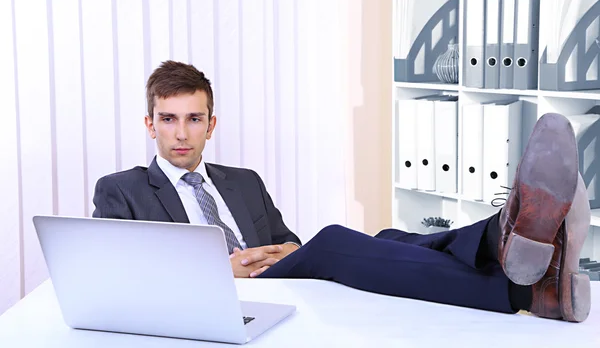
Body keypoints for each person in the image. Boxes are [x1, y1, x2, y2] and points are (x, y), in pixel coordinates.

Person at [260, 112, 592, 323]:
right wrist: (223, 268)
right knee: (330, 243)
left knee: (387, 237)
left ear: (213, 124)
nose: (203, 127)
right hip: (237, 291)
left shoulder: (242, 181)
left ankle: (510, 252)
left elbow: (283, 238)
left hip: (272, 270)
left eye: (204, 118)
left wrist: (290, 247)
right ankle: (518, 272)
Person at [92, 60, 301, 278]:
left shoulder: (247, 182)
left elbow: (288, 243)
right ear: (151, 126)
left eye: (194, 119)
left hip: (269, 300)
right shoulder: (121, 190)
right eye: (168, 119)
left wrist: (288, 252)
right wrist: (222, 271)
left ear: (210, 126)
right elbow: (116, 273)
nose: (181, 134)